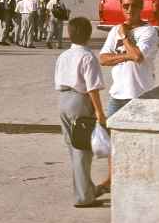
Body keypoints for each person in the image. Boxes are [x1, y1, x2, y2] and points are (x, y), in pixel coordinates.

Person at [98, 0, 159, 191]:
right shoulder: (115, 30)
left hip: (140, 96)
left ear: (141, 8)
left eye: (134, 6)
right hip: (117, 95)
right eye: (126, 6)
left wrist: (125, 38)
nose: (130, 10)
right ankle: (111, 179)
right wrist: (126, 56)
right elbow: (103, 58)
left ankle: (140, 179)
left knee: (140, 140)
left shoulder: (149, 32)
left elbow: (139, 56)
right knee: (111, 139)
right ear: (121, 7)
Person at [54, 17, 108, 208]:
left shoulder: (63, 56)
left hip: (63, 100)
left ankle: (86, 189)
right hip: (80, 100)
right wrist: (100, 112)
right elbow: (92, 88)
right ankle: (83, 196)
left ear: (69, 34)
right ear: (89, 34)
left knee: (73, 148)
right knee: (83, 150)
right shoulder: (87, 57)